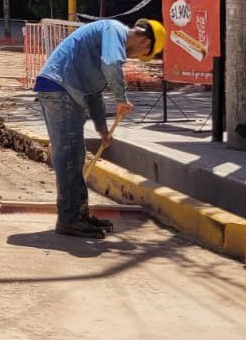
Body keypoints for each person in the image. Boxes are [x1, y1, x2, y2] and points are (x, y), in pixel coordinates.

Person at [35, 18, 166, 238]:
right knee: (68, 156)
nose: (133, 59)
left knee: (75, 156)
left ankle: (79, 214)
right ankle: (69, 219)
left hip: (65, 91)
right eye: (142, 55)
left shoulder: (108, 45)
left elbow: (94, 95)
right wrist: (121, 97)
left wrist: (103, 130)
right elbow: (111, 64)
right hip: (59, 89)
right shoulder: (114, 31)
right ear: (145, 42)